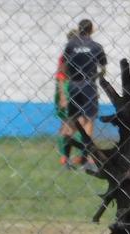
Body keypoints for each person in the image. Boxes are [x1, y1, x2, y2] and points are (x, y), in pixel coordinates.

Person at [63, 19, 107, 171]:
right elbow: (103, 68)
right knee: (88, 121)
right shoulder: (96, 46)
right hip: (89, 84)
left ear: (79, 28)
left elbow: (65, 66)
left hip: (74, 84)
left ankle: (67, 159)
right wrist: (97, 77)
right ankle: (86, 159)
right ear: (92, 29)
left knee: (71, 121)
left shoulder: (70, 45)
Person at [55, 30, 78, 167]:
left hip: (74, 89)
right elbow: (61, 77)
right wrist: (63, 96)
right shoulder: (66, 56)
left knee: (73, 125)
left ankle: (67, 156)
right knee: (67, 125)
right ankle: (64, 157)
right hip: (67, 90)